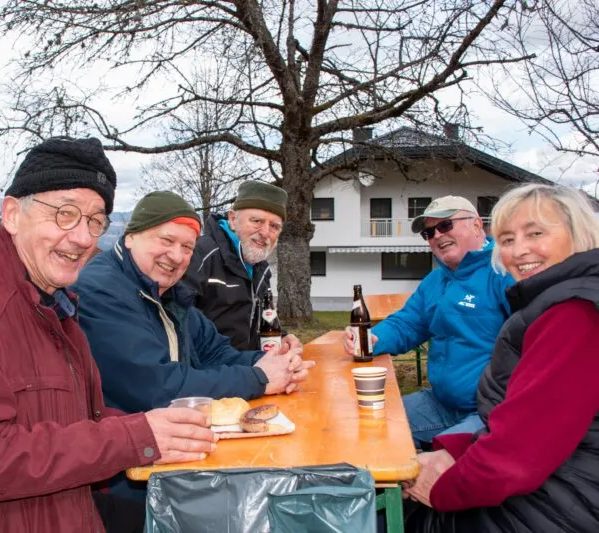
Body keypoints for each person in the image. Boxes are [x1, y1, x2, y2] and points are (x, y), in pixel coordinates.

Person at [0, 138, 217, 533]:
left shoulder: (56, 304)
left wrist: (155, 427)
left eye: (95, 222)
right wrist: (133, 437)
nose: (83, 238)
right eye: (65, 214)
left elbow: (76, 421)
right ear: (12, 215)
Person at [73, 191, 314, 498]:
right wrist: (260, 378)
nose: (176, 256)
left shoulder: (169, 293)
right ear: (131, 237)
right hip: (123, 480)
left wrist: (275, 363)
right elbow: (158, 387)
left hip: (173, 458)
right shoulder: (103, 290)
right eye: (166, 240)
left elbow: (217, 352)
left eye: (187, 247)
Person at [403, 183, 599, 532]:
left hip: (562, 502)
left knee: (396, 511)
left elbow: (519, 454)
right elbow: (408, 322)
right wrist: (369, 340)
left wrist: (441, 488)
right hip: (486, 428)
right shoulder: (549, 300)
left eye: (535, 233)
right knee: (378, 428)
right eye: (507, 239)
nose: (519, 250)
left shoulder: (574, 314)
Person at [343, 196, 515, 446]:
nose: (437, 235)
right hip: (440, 403)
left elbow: (535, 344)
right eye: (429, 232)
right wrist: (371, 339)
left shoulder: (504, 272)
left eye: (445, 225)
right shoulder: (435, 281)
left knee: (438, 458)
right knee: (363, 425)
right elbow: (408, 323)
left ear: (477, 225)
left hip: (490, 410)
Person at [183, 181, 302, 352]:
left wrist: (282, 337)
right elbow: (179, 327)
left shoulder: (260, 267)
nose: (265, 233)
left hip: (248, 365)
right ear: (232, 219)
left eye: (274, 226)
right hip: (209, 366)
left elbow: (261, 320)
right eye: (257, 221)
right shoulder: (199, 255)